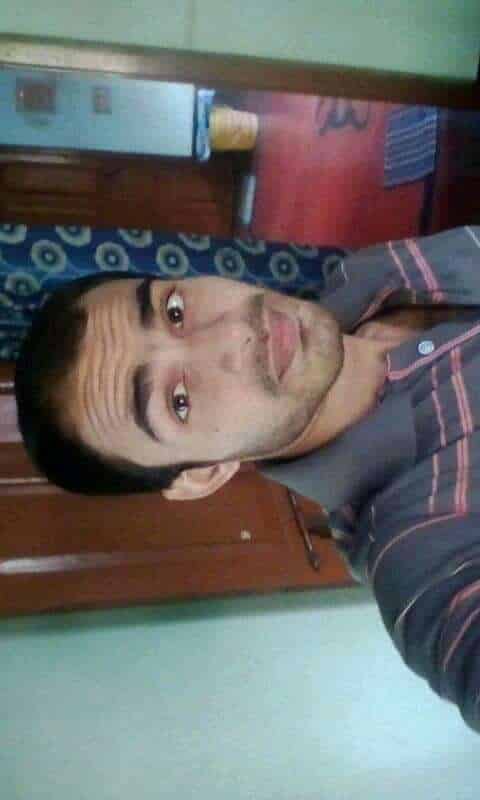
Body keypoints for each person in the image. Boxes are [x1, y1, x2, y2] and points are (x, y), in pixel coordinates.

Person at [15, 225, 480, 733]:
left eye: (175, 312)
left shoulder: (365, 274)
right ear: (204, 475)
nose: (235, 334)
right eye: (178, 401)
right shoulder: (421, 551)